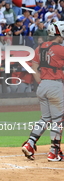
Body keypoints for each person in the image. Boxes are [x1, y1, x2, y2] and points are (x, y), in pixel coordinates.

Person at [22, 21, 64, 162]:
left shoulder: (39, 47)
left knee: (45, 118)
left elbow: (34, 67)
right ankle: (54, 152)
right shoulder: (60, 49)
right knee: (58, 120)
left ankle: (30, 143)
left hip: (43, 85)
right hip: (55, 85)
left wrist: (42, 82)